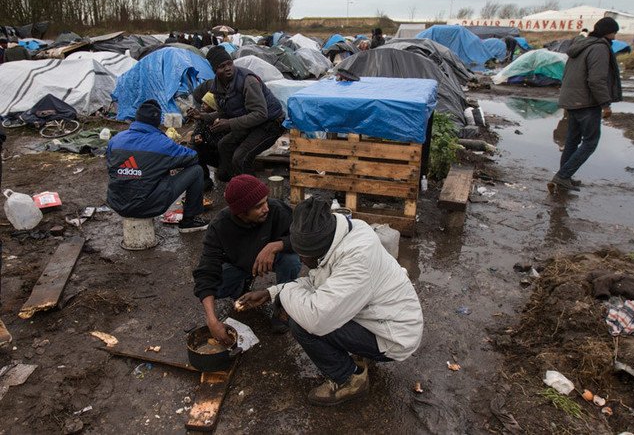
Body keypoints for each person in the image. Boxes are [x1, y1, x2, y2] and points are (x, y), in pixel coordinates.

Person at [237, 197, 424, 406]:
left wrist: (284, 296)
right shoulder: (342, 233)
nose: (300, 261)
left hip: (394, 336)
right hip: (382, 317)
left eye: (303, 256)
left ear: (318, 250)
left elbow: (316, 318)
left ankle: (348, 379)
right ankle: (358, 353)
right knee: (304, 305)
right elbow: (319, 281)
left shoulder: (357, 258)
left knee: (301, 323)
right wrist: (271, 292)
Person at [193, 174, 301, 343]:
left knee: (292, 261)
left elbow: (302, 237)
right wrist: (212, 320)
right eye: (259, 206)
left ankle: (283, 306)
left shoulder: (276, 209)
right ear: (241, 213)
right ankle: (242, 284)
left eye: (266, 201)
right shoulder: (220, 226)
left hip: (275, 258)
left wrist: (274, 246)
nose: (266, 208)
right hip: (239, 264)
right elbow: (206, 270)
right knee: (215, 289)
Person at [106, 100, 208, 232]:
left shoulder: (115, 140)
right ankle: (189, 221)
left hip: (117, 202)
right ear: (157, 121)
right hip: (148, 205)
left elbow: (110, 166)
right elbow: (192, 157)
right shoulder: (163, 143)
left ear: (137, 118)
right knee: (197, 171)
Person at [188, 46, 284, 182]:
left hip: (270, 123)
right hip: (251, 122)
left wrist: (229, 124)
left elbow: (260, 114)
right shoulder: (217, 87)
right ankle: (233, 182)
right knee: (224, 145)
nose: (228, 68)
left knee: (241, 157)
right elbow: (223, 113)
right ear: (215, 70)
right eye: (222, 66)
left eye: (229, 63)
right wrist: (202, 116)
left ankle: (254, 195)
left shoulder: (248, 81)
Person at [549, 17, 622, 192]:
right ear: (610, 32)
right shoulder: (599, 48)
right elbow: (597, 79)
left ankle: (565, 175)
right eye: (614, 32)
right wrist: (605, 104)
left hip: (573, 99)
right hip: (586, 102)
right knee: (590, 141)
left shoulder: (581, 46)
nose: (614, 36)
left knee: (572, 140)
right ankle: (563, 176)